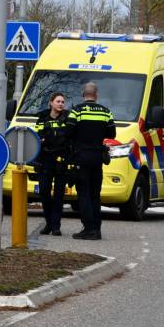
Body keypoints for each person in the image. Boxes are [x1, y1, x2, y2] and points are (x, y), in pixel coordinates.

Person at [65, 81, 115, 240]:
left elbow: (68, 132)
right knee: (95, 194)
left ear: (83, 94)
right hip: (97, 158)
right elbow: (112, 133)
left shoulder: (76, 111)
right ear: (96, 95)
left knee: (84, 193)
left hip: (81, 157)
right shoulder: (106, 112)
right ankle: (97, 229)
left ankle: (88, 229)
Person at [33, 91, 69, 236]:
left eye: (62, 102)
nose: (61, 104)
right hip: (45, 159)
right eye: (58, 101)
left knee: (59, 194)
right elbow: (37, 137)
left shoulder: (67, 118)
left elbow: (69, 137)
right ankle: (49, 223)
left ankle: (56, 226)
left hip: (61, 159)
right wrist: (42, 140)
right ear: (51, 103)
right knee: (44, 192)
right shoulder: (42, 117)